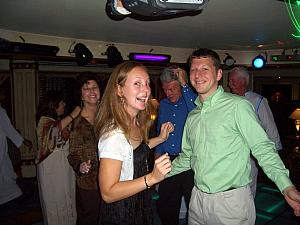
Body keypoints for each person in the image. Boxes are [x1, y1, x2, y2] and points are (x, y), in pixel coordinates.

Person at [168, 48, 300, 225]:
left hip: (231, 203)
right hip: (197, 199)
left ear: (219, 74)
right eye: (193, 69)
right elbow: (187, 157)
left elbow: (263, 148)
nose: (198, 75)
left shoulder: (238, 106)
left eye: (205, 69)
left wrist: (286, 186)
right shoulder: (193, 115)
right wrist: (158, 174)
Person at [95, 61, 173, 225]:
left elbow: (136, 151)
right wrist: (152, 178)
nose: (145, 90)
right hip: (122, 210)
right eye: (137, 83)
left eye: (147, 83)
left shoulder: (135, 121)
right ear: (119, 90)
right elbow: (108, 193)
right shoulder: (114, 134)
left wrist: (161, 138)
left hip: (139, 200)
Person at [228, 66, 283, 197]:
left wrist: (273, 155)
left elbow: (271, 128)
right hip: (231, 154)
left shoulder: (258, 101)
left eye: (232, 81)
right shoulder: (228, 100)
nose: (229, 85)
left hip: (251, 155)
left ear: (242, 82)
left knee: (248, 190)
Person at [155, 66, 197, 225]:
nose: (168, 93)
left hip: (188, 161)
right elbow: (160, 130)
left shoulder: (191, 100)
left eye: (172, 88)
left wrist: (185, 85)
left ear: (180, 86)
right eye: (165, 89)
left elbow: (197, 109)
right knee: (166, 205)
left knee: (193, 204)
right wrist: (158, 154)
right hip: (168, 160)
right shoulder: (164, 104)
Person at [36, 91, 81, 225]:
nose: (64, 105)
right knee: (54, 198)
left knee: (67, 196)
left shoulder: (57, 121)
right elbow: (53, 132)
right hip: (51, 167)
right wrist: (72, 115)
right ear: (53, 105)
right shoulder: (44, 120)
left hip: (64, 166)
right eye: (61, 103)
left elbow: (63, 138)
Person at [68, 73, 101, 225]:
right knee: (89, 218)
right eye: (86, 88)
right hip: (89, 181)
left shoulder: (107, 116)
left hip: (111, 175)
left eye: (95, 87)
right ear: (80, 95)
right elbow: (72, 154)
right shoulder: (76, 121)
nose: (92, 91)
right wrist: (79, 165)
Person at [0, 87, 32, 205]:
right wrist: (24, 141)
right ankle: (13, 196)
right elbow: (9, 130)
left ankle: (13, 195)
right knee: (4, 170)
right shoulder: (0, 111)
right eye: (3, 93)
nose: (4, 96)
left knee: (6, 170)